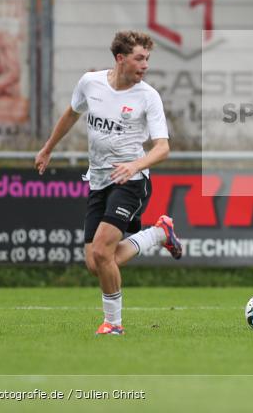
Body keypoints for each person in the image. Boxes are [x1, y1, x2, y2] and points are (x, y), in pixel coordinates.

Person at [34, 30, 182, 336]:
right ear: (120, 58)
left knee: (103, 253)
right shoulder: (91, 83)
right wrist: (48, 148)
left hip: (131, 181)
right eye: (139, 58)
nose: (145, 65)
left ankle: (113, 324)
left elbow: (162, 148)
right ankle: (158, 233)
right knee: (96, 262)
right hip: (98, 180)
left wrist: (134, 165)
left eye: (147, 59)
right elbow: (71, 114)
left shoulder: (148, 96)